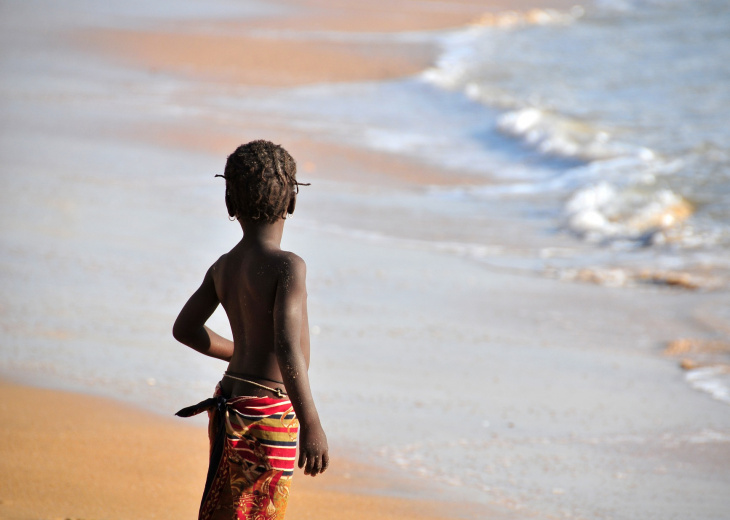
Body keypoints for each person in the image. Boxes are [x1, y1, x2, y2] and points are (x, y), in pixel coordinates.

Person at [172, 140, 328, 520]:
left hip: (229, 404)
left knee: (227, 508)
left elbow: (186, 329)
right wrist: (312, 423)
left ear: (230, 204)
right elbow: (287, 348)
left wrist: (238, 351)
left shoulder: (223, 266)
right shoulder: (288, 266)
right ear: (292, 201)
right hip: (269, 413)